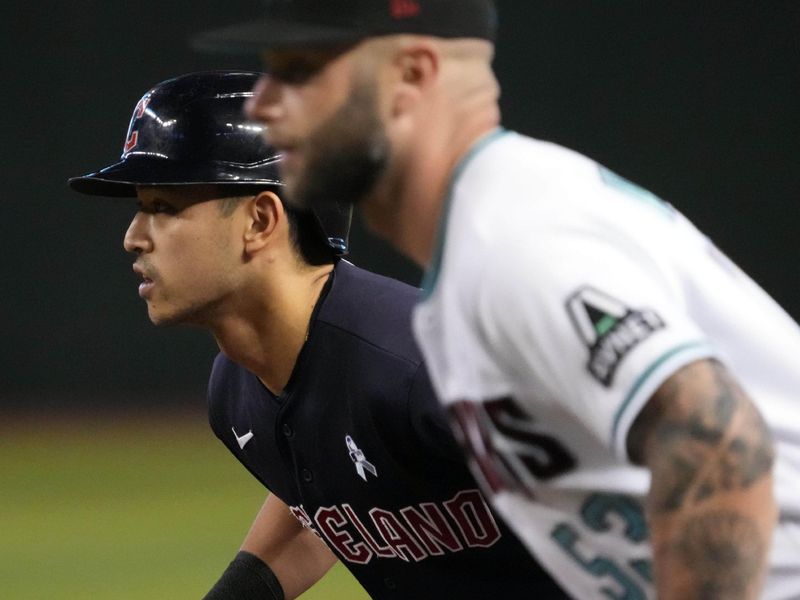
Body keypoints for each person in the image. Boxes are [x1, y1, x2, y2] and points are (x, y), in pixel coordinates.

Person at [193, 3, 800, 599]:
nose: (263, 104)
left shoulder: (511, 238)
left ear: (411, 75)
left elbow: (716, 440)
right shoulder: (477, 252)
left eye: (300, 70)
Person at [68, 70, 569, 599]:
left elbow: (635, 496)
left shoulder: (422, 365)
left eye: (162, 208)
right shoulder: (238, 391)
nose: (133, 238)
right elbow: (335, 500)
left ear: (260, 221)